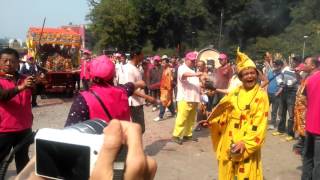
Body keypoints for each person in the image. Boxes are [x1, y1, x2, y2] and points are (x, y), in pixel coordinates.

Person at [15, 120, 157, 180]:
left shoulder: (84, 97)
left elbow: (73, 121)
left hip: (102, 146)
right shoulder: (123, 90)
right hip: (111, 143)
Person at [206, 48, 269, 180]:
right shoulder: (235, 92)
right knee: (227, 166)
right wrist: (211, 121)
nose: (249, 76)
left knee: (244, 172)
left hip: (246, 139)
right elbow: (223, 111)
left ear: (257, 75)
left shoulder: (261, 96)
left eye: (252, 73)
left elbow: (260, 123)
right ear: (240, 77)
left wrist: (245, 143)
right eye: (245, 74)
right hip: (229, 135)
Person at [65, 55, 144, 127]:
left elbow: (71, 132)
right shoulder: (123, 91)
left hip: (99, 142)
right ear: (113, 75)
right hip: (121, 140)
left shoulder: (83, 99)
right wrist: (141, 84)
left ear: (92, 75)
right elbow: (132, 85)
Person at [0, 48, 35, 173]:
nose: (9, 64)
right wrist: (21, 87)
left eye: (13, 61)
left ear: (18, 63)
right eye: (5, 61)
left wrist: (39, 83)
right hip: (4, 129)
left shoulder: (24, 78)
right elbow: (3, 96)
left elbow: (37, 92)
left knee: (23, 160)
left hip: (24, 128)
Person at [122, 45, 156, 133]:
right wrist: (147, 97)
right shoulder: (129, 69)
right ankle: (134, 146)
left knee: (138, 129)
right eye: (142, 54)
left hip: (137, 102)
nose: (143, 56)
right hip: (134, 103)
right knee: (139, 129)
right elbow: (130, 89)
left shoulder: (135, 67)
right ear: (136, 55)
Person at [172, 51, 202, 145]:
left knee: (191, 118)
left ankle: (188, 135)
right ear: (186, 60)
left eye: (194, 61)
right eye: (192, 61)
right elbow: (183, 75)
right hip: (184, 98)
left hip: (194, 97)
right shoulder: (182, 68)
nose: (193, 62)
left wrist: (202, 90)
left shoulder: (193, 70)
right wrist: (195, 74)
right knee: (182, 117)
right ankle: (176, 135)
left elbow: (196, 83)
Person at [272, 56, 301, 141]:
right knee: (282, 112)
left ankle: (290, 134)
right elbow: (281, 75)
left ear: (299, 63)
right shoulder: (286, 68)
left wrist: (296, 76)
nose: (293, 62)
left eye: (296, 61)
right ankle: (281, 130)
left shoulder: (300, 71)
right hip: (284, 91)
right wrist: (280, 81)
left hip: (292, 93)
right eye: (293, 61)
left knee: (291, 114)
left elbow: (300, 80)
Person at [301, 56, 320, 180]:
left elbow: (306, 100)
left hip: (310, 125)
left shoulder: (310, 79)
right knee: (318, 163)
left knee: (308, 157)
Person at [153, 56, 176, 121]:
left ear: (167, 63)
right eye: (162, 63)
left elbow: (169, 81)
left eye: (164, 63)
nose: (162, 64)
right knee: (168, 102)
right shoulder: (165, 69)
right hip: (164, 89)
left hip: (166, 89)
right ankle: (173, 113)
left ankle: (160, 116)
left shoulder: (168, 71)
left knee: (163, 102)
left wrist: (168, 89)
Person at [266, 60, 284, 130]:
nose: (275, 66)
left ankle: (273, 124)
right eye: (274, 64)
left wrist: (277, 93)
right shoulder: (270, 72)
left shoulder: (281, 75)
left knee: (274, 110)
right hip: (268, 93)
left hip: (276, 95)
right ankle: (263, 122)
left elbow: (282, 86)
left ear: (280, 66)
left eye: (277, 65)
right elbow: (267, 81)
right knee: (264, 108)